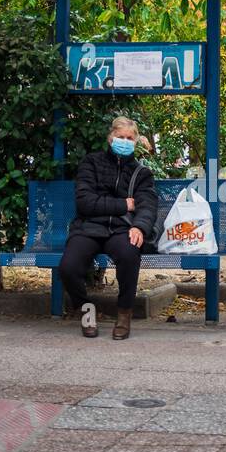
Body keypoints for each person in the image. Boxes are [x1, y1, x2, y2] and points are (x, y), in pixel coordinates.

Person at [58, 117, 157, 339]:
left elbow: (147, 205)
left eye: (129, 138)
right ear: (110, 138)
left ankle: (124, 313)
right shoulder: (91, 163)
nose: (124, 141)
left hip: (121, 230)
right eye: (120, 137)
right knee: (68, 267)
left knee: (130, 253)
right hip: (88, 228)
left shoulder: (142, 174)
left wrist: (140, 227)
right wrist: (124, 203)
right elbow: (85, 202)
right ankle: (86, 311)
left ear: (136, 141)